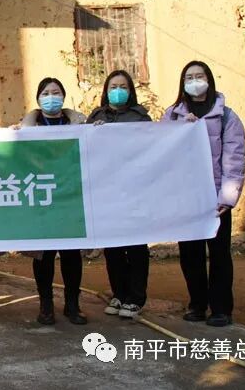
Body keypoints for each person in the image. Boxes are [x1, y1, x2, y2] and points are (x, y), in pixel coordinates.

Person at [162, 61, 245, 327]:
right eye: (189, 77)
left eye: (199, 76)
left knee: (219, 253)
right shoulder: (173, 115)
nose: (194, 81)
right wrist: (180, 131)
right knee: (190, 253)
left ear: (209, 80)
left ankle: (221, 309)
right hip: (185, 197)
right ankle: (197, 304)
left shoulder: (227, 117)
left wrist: (227, 197)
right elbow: (162, 152)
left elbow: (234, 159)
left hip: (215, 198)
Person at [16, 77, 88, 325]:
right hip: (41, 198)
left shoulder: (80, 124)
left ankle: (72, 304)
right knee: (43, 255)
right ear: (38, 99)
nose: (51, 97)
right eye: (45, 93)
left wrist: (98, 131)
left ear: (63, 96)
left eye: (56, 92)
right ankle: (45, 304)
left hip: (70, 197)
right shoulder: (26, 128)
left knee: (71, 254)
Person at [86, 70, 152, 320]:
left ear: (130, 90)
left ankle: (136, 297)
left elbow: (152, 148)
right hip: (106, 191)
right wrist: (93, 132)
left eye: (123, 86)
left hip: (134, 191)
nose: (118, 91)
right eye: (113, 86)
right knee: (112, 246)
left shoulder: (140, 118)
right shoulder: (96, 117)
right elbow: (85, 149)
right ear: (106, 90)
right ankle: (119, 293)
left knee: (136, 246)